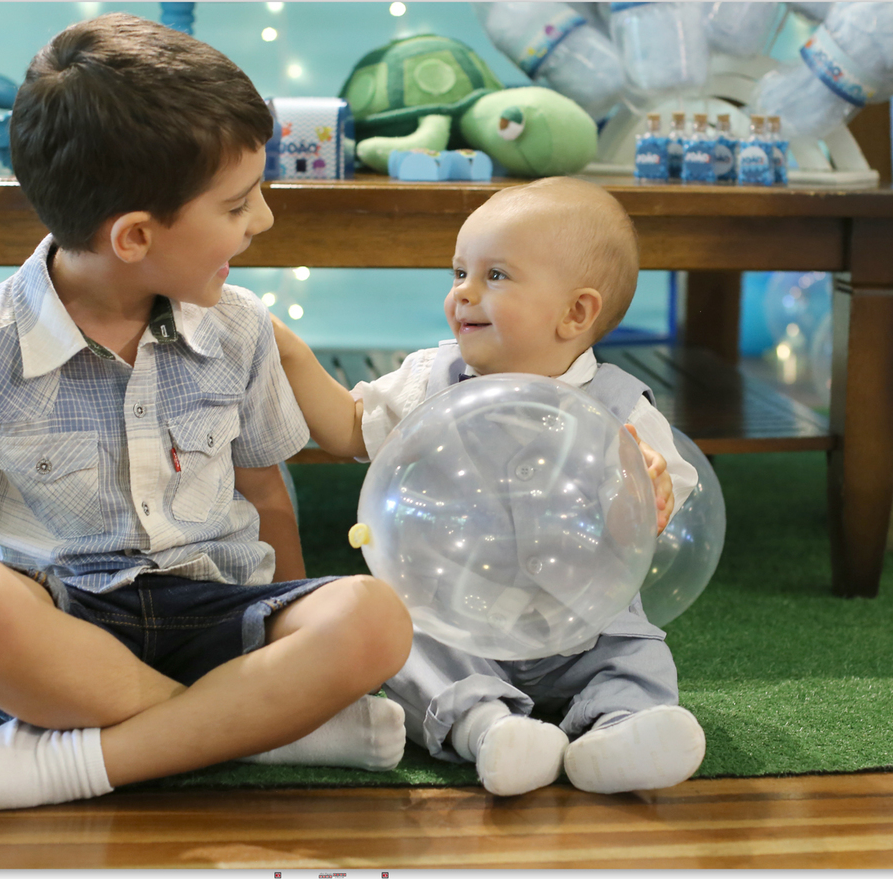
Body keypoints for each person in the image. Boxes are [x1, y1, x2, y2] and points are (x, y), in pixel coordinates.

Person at [0, 13, 413, 826]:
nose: (264, 220)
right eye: (239, 204)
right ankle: (254, 729)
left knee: (373, 616)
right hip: (64, 634)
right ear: (134, 235)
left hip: (214, 610)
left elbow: (265, 489)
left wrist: (286, 634)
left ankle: (61, 765)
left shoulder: (239, 327)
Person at [271, 176, 706, 797]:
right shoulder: (431, 380)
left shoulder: (622, 413)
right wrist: (290, 353)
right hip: (456, 616)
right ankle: (490, 730)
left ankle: (623, 728)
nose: (464, 294)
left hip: (582, 622)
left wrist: (644, 497)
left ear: (576, 312)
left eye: (495, 276)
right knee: (402, 642)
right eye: (458, 273)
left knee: (636, 654)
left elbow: (649, 520)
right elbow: (347, 429)